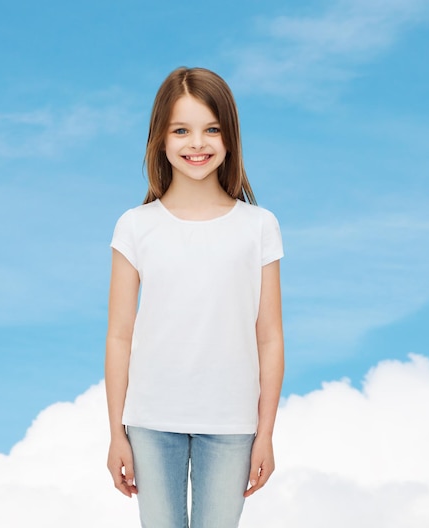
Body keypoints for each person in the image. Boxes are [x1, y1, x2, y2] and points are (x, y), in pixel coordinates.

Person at [105, 67, 284, 528]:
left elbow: (269, 337)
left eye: (211, 130)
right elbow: (120, 336)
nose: (196, 143)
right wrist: (115, 434)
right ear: (160, 140)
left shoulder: (258, 226)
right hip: (150, 420)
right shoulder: (135, 226)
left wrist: (265, 433)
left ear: (229, 138)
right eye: (181, 130)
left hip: (231, 423)